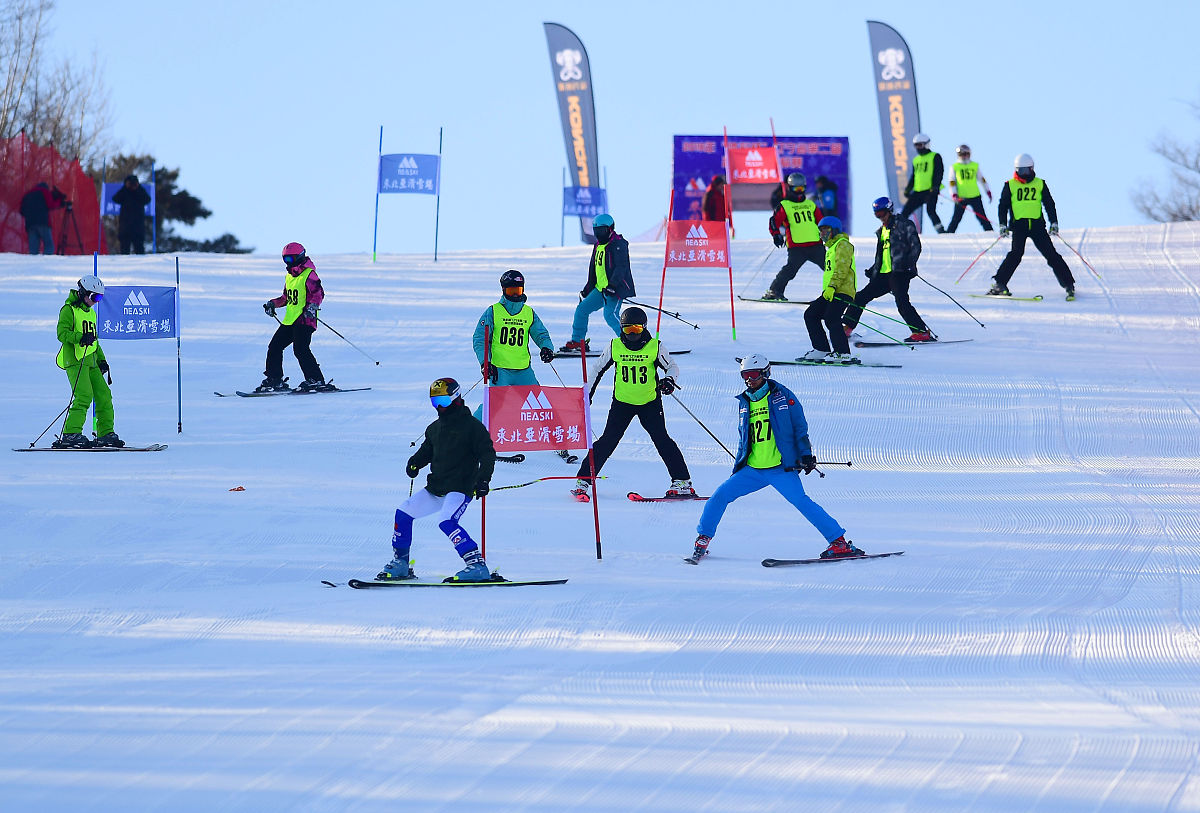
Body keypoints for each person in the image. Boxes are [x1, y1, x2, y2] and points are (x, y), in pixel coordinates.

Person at [687, 354, 862, 564]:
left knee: (801, 502)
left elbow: (799, 426)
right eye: (745, 375)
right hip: (752, 470)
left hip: (781, 469)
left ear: (765, 373)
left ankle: (839, 542)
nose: (749, 380)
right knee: (719, 497)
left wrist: (805, 454)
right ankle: (703, 538)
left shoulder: (782, 396)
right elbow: (745, 435)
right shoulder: (744, 401)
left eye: (753, 375)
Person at [378, 378, 497, 583]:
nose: (439, 407)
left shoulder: (472, 427)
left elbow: (487, 454)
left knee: (447, 522)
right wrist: (414, 463)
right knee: (403, 514)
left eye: (442, 401)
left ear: (456, 397)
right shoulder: (434, 428)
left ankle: (477, 565)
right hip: (436, 488)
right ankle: (401, 564)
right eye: (435, 402)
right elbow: (426, 452)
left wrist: (483, 480)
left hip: (460, 487)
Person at [570, 306, 694, 502]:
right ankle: (584, 480)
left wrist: (669, 380)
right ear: (621, 329)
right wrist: (587, 395)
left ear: (644, 328)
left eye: (636, 329)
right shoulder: (615, 346)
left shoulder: (655, 346)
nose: (632, 334)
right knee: (607, 441)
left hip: (649, 403)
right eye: (628, 330)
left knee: (662, 439)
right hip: (622, 403)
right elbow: (596, 369)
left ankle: (682, 482)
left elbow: (672, 367)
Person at [842, 196, 935, 343]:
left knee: (902, 302)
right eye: (877, 214)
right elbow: (883, 254)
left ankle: (921, 332)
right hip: (883, 275)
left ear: (890, 210)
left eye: (882, 213)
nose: (880, 217)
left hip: (900, 272)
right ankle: (847, 328)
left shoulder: (905, 224)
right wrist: (873, 269)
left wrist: (909, 264)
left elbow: (916, 246)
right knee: (860, 297)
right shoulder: (881, 231)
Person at [989, 154, 1077, 301]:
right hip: (1019, 226)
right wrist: (1003, 224)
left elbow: (1049, 204)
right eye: (1021, 171)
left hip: (1037, 226)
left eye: (1027, 170)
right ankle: (1000, 284)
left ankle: (1069, 284)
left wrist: (1053, 222)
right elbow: (1002, 206)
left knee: (1051, 255)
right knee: (1016, 254)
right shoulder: (1010, 185)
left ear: (1032, 169)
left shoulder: (1040, 183)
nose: (1024, 174)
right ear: (1016, 170)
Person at [54, 276, 123, 448]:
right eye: (94, 297)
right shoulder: (68, 310)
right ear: (83, 293)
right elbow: (61, 334)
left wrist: (102, 360)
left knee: (104, 395)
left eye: (100, 298)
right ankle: (71, 433)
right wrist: (80, 337)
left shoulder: (91, 313)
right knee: (84, 396)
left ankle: (106, 434)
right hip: (75, 360)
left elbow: (95, 341)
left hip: (90, 361)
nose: (96, 302)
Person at [559, 213, 636, 354]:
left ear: (610, 229)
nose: (599, 234)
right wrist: (587, 289)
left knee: (610, 315)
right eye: (596, 231)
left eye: (602, 230)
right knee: (581, 310)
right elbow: (595, 270)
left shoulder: (618, 244)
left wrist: (612, 286)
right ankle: (578, 342)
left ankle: (630, 341)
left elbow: (621, 267)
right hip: (600, 289)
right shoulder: (598, 246)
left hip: (615, 289)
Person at [259, 242, 330, 392]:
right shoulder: (289, 277)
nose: (287, 263)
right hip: (290, 320)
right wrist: (273, 304)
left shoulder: (309, 274)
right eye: (285, 260)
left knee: (300, 349)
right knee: (274, 347)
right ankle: (274, 379)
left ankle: (315, 380)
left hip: (305, 319)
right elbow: (286, 298)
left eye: (290, 260)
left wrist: (311, 307)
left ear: (299, 257)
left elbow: (318, 294)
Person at [798, 217, 858, 364]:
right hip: (831, 291)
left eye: (826, 230)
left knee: (832, 318)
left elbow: (841, 268)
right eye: (820, 231)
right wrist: (828, 289)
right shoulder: (831, 248)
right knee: (811, 314)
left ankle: (843, 353)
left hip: (841, 290)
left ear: (834, 230)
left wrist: (832, 287)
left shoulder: (843, 244)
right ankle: (821, 349)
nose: (822, 234)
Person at [762, 172, 825, 300]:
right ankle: (774, 291)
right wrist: (776, 235)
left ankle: (842, 291)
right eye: (796, 189)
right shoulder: (785, 205)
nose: (799, 192)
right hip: (797, 247)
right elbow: (774, 221)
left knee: (831, 267)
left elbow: (822, 221)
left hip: (815, 245)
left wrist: (828, 234)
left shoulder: (810, 204)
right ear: (790, 188)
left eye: (802, 189)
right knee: (790, 271)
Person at [898, 133, 946, 233]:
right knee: (905, 212)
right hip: (918, 191)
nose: (918, 148)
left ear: (926, 144)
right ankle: (900, 232)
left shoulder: (934, 156)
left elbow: (939, 172)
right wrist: (908, 189)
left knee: (931, 211)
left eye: (920, 145)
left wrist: (935, 186)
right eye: (916, 145)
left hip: (930, 190)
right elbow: (914, 176)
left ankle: (941, 231)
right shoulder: (916, 160)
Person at [945, 144, 993, 233]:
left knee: (982, 217)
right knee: (956, 218)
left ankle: (991, 233)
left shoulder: (974, 165)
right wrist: (954, 194)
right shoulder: (955, 166)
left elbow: (982, 179)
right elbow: (952, 181)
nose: (963, 156)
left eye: (965, 154)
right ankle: (948, 234)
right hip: (961, 197)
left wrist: (988, 191)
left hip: (975, 195)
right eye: (961, 154)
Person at [19, 182, 66, 255]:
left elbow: (21, 211)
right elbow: (51, 204)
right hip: (43, 222)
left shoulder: (27, 194)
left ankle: (33, 265)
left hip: (30, 224)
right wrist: (60, 202)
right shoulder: (44, 192)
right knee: (49, 245)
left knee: (33, 249)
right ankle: (47, 263)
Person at [111, 174, 152, 254]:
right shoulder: (124, 192)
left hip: (138, 225)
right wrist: (125, 188)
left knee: (139, 247)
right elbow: (115, 198)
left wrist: (138, 188)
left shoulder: (140, 191)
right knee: (124, 248)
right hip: (125, 225)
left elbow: (147, 199)